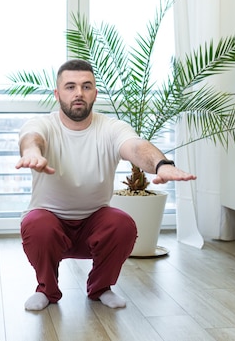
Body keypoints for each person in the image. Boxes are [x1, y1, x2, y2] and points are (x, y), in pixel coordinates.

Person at [15, 59, 196, 311]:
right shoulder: (43, 125)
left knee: (122, 224)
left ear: (95, 94)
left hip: (94, 224)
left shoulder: (110, 128)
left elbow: (135, 147)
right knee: (35, 224)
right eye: (70, 87)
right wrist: (32, 152)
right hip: (50, 225)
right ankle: (47, 289)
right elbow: (31, 138)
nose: (78, 93)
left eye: (86, 86)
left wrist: (162, 164)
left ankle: (100, 288)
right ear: (57, 94)